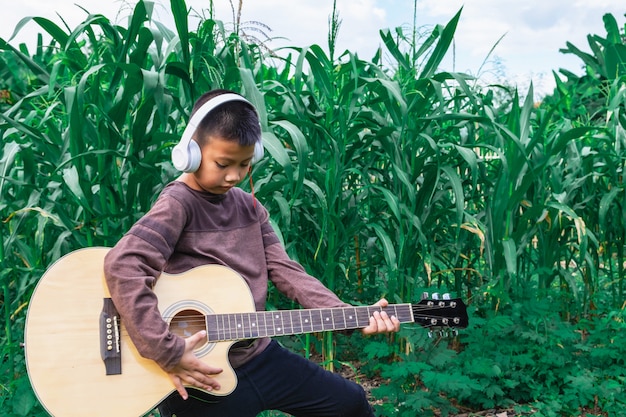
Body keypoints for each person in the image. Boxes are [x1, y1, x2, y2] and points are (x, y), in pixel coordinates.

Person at [103, 89, 400, 417]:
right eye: (222, 163)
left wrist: (347, 313)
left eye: (244, 164)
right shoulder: (178, 204)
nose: (233, 176)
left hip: (257, 353)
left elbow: (285, 270)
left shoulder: (249, 206)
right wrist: (166, 350)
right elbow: (124, 265)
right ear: (190, 153)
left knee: (350, 403)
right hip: (200, 368)